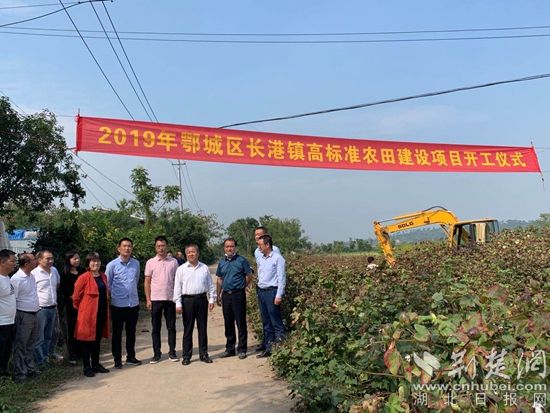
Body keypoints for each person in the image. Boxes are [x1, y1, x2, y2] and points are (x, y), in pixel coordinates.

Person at [173, 244, 216, 366]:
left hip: (202, 299)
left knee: (202, 328)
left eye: (193, 252)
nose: (191, 254)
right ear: (186, 254)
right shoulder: (181, 269)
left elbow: (210, 285)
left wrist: (211, 299)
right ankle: (186, 356)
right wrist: (178, 303)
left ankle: (204, 354)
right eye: (189, 252)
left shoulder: (204, 268)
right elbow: (177, 287)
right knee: (188, 329)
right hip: (187, 301)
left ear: (198, 253)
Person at [73, 252, 110, 378]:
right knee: (86, 342)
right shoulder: (83, 278)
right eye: (93, 261)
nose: (96, 263)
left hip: (101, 313)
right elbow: (76, 298)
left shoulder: (103, 276)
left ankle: (96, 364)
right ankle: (86, 366)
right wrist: (83, 310)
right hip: (88, 316)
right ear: (88, 263)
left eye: (98, 261)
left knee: (97, 340)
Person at [106, 238, 141, 369]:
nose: (127, 248)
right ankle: (117, 359)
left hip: (133, 304)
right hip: (118, 305)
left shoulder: (136, 264)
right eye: (124, 246)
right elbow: (108, 284)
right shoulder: (112, 265)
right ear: (119, 248)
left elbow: (136, 280)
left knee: (131, 332)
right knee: (117, 333)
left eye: (129, 246)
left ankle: (131, 357)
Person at [216, 238, 253, 360]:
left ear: (235, 247)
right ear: (224, 248)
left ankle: (242, 349)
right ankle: (230, 349)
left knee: (240, 322)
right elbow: (219, 279)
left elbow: (249, 275)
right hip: (226, 295)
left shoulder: (242, 260)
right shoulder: (221, 262)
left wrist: (243, 286)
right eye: (227, 246)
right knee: (228, 322)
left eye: (231, 246)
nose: (229, 248)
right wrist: (218, 295)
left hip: (238, 295)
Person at [144, 236, 179, 364]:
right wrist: (148, 299)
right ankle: (157, 354)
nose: (161, 248)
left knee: (171, 327)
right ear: (155, 247)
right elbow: (147, 282)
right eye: (158, 246)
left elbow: (177, 281)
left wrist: (177, 299)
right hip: (155, 299)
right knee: (155, 328)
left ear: (167, 246)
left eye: (163, 245)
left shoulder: (173, 262)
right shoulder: (150, 262)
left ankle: (172, 352)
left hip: (170, 299)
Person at [10, 253, 40, 382]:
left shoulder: (31, 276)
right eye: (34, 259)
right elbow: (13, 299)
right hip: (23, 314)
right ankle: (19, 373)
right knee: (21, 344)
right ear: (27, 264)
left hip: (34, 312)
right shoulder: (16, 279)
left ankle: (29, 369)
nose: (36, 261)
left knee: (31, 343)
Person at [255, 235, 286, 358]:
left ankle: (280, 349)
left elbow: (281, 278)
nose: (259, 247)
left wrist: (279, 295)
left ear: (267, 245)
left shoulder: (278, 259)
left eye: (260, 245)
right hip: (262, 292)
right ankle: (268, 348)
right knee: (266, 322)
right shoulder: (261, 259)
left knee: (275, 321)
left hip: (272, 292)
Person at [32, 249, 61, 368]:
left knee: (49, 335)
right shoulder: (34, 273)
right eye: (47, 258)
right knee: (39, 337)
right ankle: (40, 362)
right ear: (39, 260)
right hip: (40, 309)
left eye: (52, 258)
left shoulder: (54, 270)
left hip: (53, 308)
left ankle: (46, 357)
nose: (50, 261)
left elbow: (57, 285)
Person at [61, 251, 84, 365]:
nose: (77, 260)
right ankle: (72, 353)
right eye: (74, 258)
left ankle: (81, 351)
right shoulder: (64, 274)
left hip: (83, 304)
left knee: (82, 328)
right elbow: (64, 290)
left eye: (78, 258)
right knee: (72, 328)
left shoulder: (83, 272)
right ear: (68, 260)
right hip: (71, 305)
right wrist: (74, 297)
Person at [0, 249, 17, 377]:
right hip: (1, 323)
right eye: (12, 261)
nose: (15, 264)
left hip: (10, 321)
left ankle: (4, 372)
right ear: (2, 261)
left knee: (7, 350)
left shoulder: (7, 278)